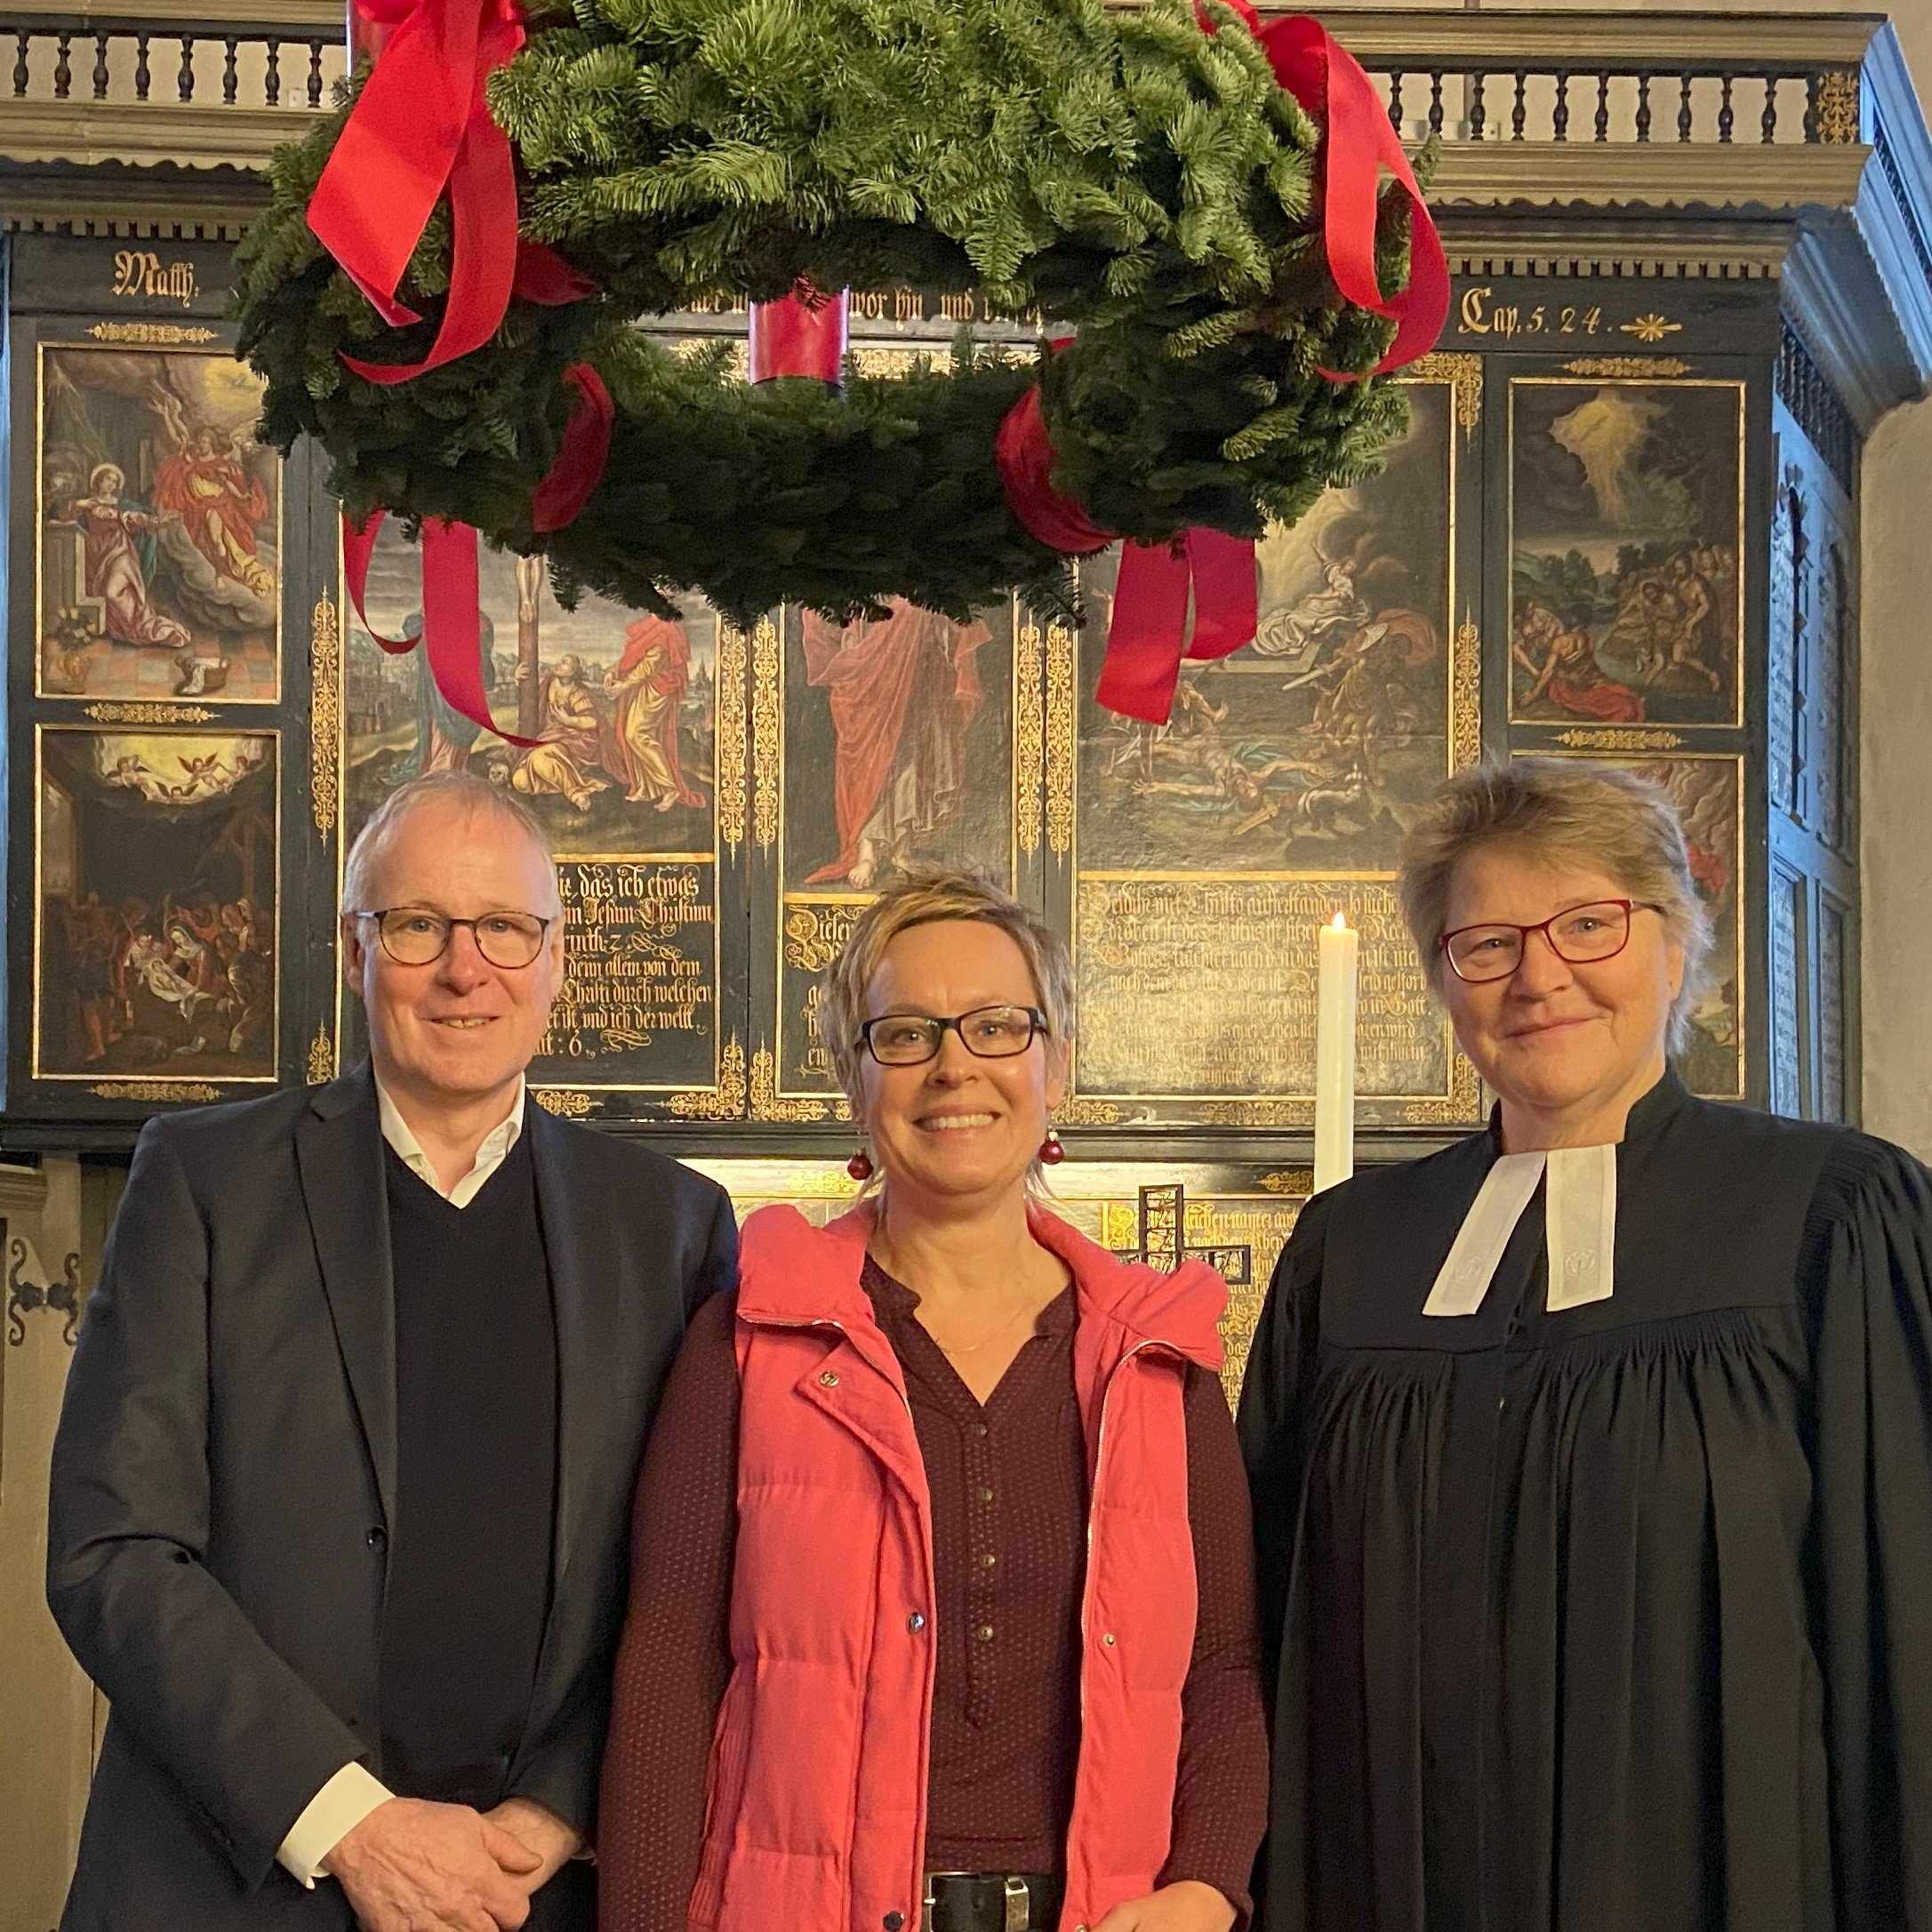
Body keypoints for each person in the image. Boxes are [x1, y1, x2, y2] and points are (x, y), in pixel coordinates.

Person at [1239, 758, 1932, 1932]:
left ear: (1675, 947)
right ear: (1443, 982)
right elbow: (1259, 1629)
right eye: (1487, 943)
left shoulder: (1828, 1213)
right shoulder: (1350, 1252)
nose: (1538, 975)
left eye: (1586, 923)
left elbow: (1903, 1640)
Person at [47, 769, 737, 1932]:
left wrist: (562, 1809)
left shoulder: (669, 1226)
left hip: (532, 1893)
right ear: (357, 953)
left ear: (556, 959)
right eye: (418, 925)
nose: (466, 968)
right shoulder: (205, 1183)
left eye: (506, 929)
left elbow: (692, 1581)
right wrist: (351, 1821)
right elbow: (114, 1549)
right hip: (231, 1885)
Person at [599, 867, 1268, 1932]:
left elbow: (1221, 1670)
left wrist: (1206, 1883)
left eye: (999, 1026)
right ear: (851, 1078)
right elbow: (669, 1672)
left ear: (1058, 1064)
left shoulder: (1158, 1360)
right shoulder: (749, 1341)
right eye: (905, 1033)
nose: (955, 1065)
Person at [803, 599, 990, 887]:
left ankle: (901, 848)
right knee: (874, 753)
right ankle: (866, 850)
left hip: (920, 657)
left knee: (915, 748)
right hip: (873, 653)